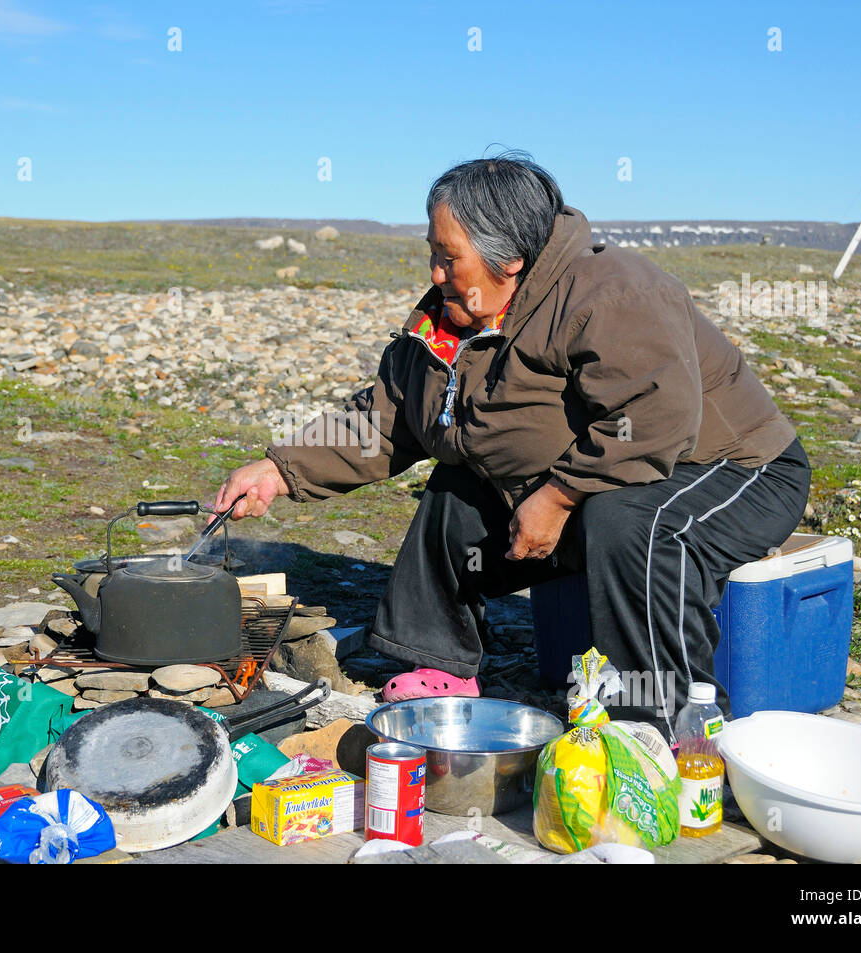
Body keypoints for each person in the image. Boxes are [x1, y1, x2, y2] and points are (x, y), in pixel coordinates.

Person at [213, 152, 810, 742]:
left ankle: (665, 727)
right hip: (602, 479)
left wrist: (558, 496)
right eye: (432, 253)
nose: (435, 273)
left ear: (511, 259)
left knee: (629, 521)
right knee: (457, 490)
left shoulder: (612, 294)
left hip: (732, 469)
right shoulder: (450, 319)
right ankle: (440, 664)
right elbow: (387, 417)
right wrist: (280, 469)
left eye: (450, 258)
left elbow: (655, 415)